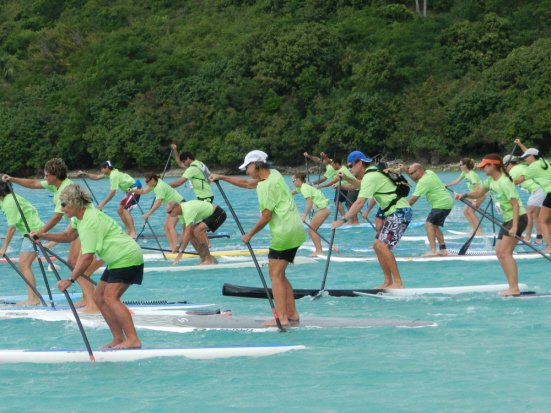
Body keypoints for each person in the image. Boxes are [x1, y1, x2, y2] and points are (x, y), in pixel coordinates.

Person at [30, 183, 144, 348]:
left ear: (75, 203)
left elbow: (87, 258)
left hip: (127, 257)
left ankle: (133, 339)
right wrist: (43, 235)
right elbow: (68, 235)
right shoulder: (80, 216)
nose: (62, 209)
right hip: (117, 260)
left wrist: (69, 280)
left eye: (64, 205)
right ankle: (119, 338)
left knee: (111, 298)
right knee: (98, 298)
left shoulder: (90, 221)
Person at [209, 150, 306, 326]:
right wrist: (222, 177)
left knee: (274, 275)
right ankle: (292, 314)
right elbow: (247, 184)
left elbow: (266, 216)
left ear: (256, 164)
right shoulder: (275, 174)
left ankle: (282, 318)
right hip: (296, 230)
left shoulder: (264, 187)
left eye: (247, 167)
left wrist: (249, 234)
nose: (246, 171)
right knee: (281, 274)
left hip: (284, 233)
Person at [4, 158, 97, 312]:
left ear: (55, 175)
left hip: (87, 225)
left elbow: (56, 217)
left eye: (46, 175)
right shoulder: (56, 185)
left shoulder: (65, 189)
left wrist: (40, 233)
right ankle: (87, 299)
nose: (44, 178)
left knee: (80, 266)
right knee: (72, 261)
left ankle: (92, 304)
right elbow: (33, 184)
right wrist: (12, 179)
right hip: (78, 225)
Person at [332, 151, 412, 289]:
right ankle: (387, 282)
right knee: (376, 245)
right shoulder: (373, 171)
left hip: (400, 212)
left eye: (351, 166)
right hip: (393, 212)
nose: (349, 169)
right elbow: (362, 185)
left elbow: (360, 202)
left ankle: (398, 283)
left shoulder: (371, 176)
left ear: (360, 163)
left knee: (382, 245)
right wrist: (347, 178)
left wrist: (343, 220)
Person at [455, 154, 528, 296]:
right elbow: (477, 193)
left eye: (484, 167)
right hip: (507, 219)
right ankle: (511, 286)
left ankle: (514, 288)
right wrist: (464, 195)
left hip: (517, 218)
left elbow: (515, 205)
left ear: (492, 166)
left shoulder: (505, 182)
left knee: (506, 253)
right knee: (499, 253)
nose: (482, 169)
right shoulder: (490, 180)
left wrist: (514, 227)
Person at [0, 177, 44, 306]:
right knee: (23, 265)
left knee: (24, 265)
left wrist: (4, 248)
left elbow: (12, 227)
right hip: (30, 234)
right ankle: (32, 298)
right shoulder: (5, 199)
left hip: (33, 233)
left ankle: (33, 299)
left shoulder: (9, 203)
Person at [400, 163, 453, 256]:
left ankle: (433, 251)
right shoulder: (429, 172)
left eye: (411, 173)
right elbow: (417, 180)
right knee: (434, 227)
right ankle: (443, 249)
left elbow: (413, 199)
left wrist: (400, 208)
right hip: (447, 202)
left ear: (418, 171)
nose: (410, 176)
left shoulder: (424, 182)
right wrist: (405, 170)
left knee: (428, 225)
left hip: (441, 204)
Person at [79, 161, 142, 239]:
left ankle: (133, 233)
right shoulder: (110, 173)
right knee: (120, 210)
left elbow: (112, 193)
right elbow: (96, 177)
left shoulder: (114, 175)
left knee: (126, 211)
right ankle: (128, 230)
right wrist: (84, 174)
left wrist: (102, 204)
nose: (101, 170)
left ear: (107, 168)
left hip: (135, 189)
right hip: (129, 191)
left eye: (102, 168)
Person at [511, 139, 551, 253]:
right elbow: (531, 152)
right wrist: (520, 145)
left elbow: (518, 181)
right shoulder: (544, 162)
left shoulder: (533, 167)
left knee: (543, 221)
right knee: (548, 222)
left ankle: (549, 248)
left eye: (525, 158)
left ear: (532, 157)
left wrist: (502, 181)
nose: (524, 160)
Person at [128, 173, 183, 251]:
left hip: (178, 205)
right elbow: (143, 191)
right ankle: (172, 248)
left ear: (153, 180)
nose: (146, 183)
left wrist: (148, 214)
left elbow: (158, 204)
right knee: (166, 227)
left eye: (147, 182)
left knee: (171, 226)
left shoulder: (159, 187)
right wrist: (133, 190)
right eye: (145, 182)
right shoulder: (155, 184)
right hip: (172, 206)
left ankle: (175, 248)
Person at [165, 199, 227, 266]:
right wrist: (178, 245)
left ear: (176, 207)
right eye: (168, 213)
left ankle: (208, 260)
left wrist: (181, 253)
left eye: (170, 212)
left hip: (219, 214)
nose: (170, 215)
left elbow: (187, 235)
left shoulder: (187, 211)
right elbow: (185, 231)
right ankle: (203, 260)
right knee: (191, 232)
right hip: (208, 216)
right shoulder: (180, 213)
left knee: (197, 231)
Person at [505, 154, 543, 244]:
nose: (505, 168)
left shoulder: (514, 171)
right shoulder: (521, 166)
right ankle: (539, 238)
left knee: (528, 213)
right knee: (535, 215)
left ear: (509, 164)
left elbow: (506, 183)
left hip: (537, 190)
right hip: (540, 189)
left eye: (505, 165)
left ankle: (527, 238)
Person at [290, 173, 331, 257]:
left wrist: (304, 215)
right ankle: (319, 250)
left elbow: (309, 203)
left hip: (323, 208)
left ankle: (319, 251)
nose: (292, 183)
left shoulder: (304, 188)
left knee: (311, 229)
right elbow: (290, 193)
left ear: (298, 180)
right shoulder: (301, 188)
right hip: (324, 208)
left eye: (293, 181)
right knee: (313, 229)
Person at [445, 158, 486, 235]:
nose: (459, 166)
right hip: (473, 195)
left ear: (465, 165)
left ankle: (479, 231)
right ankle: (474, 230)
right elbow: (456, 181)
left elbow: (477, 188)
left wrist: (475, 200)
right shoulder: (464, 173)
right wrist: (447, 185)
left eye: (460, 164)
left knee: (471, 212)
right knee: (465, 212)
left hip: (479, 195)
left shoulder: (472, 174)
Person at [317, 158, 359, 225]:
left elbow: (333, 181)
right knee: (348, 205)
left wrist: (322, 186)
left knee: (350, 205)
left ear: (337, 164)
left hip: (354, 187)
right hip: (351, 187)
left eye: (333, 165)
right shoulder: (342, 169)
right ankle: (352, 221)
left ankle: (355, 222)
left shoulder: (341, 171)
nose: (332, 167)